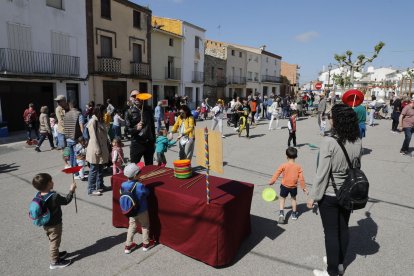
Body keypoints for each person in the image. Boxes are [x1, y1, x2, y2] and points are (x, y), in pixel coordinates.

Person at [307, 104, 362, 276]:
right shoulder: (358, 140)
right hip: (348, 192)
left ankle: (331, 271)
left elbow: (321, 173)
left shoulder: (329, 142)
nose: (328, 119)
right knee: (343, 228)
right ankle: (338, 263)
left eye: (330, 117)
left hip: (330, 193)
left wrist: (313, 196)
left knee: (330, 233)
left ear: (337, 121)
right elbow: (357, 166)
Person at [31, 173, 76, 269]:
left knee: (53, 240)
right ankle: (54, 262)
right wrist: (71, 190)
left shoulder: (38, 195)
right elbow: (66, 200)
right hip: (55, 224)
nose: (53, 182)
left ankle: (56, 254)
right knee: (54, 242)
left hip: (46, 223)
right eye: (51, 181)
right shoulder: (54, 196)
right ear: (48, 184)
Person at [268, 147, 307, 223]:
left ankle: (281, 214)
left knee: (282, 199)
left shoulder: (283, 165)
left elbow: (277, 173)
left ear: (286, 156)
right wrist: (304, 188)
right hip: (293, 187)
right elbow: (301, 178)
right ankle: (294, 214)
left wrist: (272, 181)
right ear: (296, 156)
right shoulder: (298, 167)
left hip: (284, 186)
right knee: (293, 199)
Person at [122, 163, 155, 254]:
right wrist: (140, 183)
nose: (141, 173)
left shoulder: (123, 184)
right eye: (139, 172)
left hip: (131, 210)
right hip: (142, 210)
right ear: (136, 175)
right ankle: (146, 244)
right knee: (145, 226)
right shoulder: (139, 186)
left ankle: (128, 246)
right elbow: (146, 193)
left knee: (132, 226)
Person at [125, 90, 156, 165]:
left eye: (138, 95)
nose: (136, 98)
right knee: (134, 168)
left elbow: (152, 126)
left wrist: (153, 141)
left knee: (149, 168)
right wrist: (136, 128)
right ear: (130, 98)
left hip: (149, 143)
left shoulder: (148, 110)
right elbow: (127, 131)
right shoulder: (128, 112)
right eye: (133, 96)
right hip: (136, 144)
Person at [86, 104, 110, 196]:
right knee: (94, 169)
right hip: (95, 149)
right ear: (100, 111)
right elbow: (93, 137)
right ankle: (91, 189)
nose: (105, 113)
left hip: (102, 148)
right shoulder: (93, 122)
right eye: (104, 111)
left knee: (100, 168)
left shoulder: (100, 121)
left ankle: (100, 185)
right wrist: (97, 150)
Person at [64, 101, 84, 172]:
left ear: (70, 106)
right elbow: (81, 127)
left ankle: (74, 171)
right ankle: (76, 172)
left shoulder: (66, 114)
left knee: (72, 156)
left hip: (68, 138)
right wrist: (83, 137)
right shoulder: (79, 114)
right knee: (77, 156)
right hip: (76, 139)